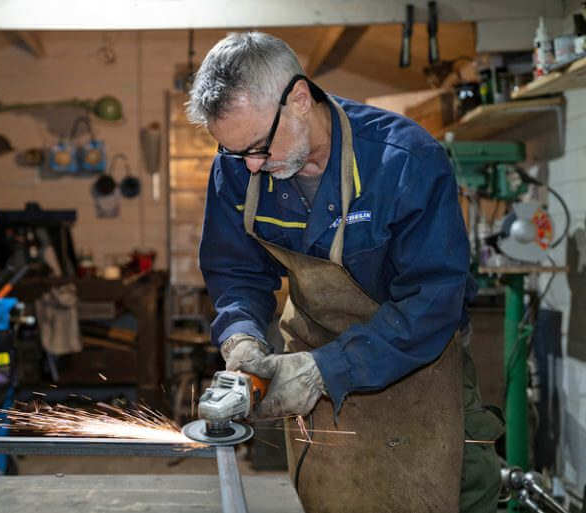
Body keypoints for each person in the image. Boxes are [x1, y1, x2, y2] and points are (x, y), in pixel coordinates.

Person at [186, 31, 504, 513]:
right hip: (311, 374)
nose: (250, 165)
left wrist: (323, 371)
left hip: (418, 370)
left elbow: (432, 302)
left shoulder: (405, 162)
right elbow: (235, 270)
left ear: (298, 98)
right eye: (236, 153)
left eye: (259, 146)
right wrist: (241, 336)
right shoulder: (236, 166)